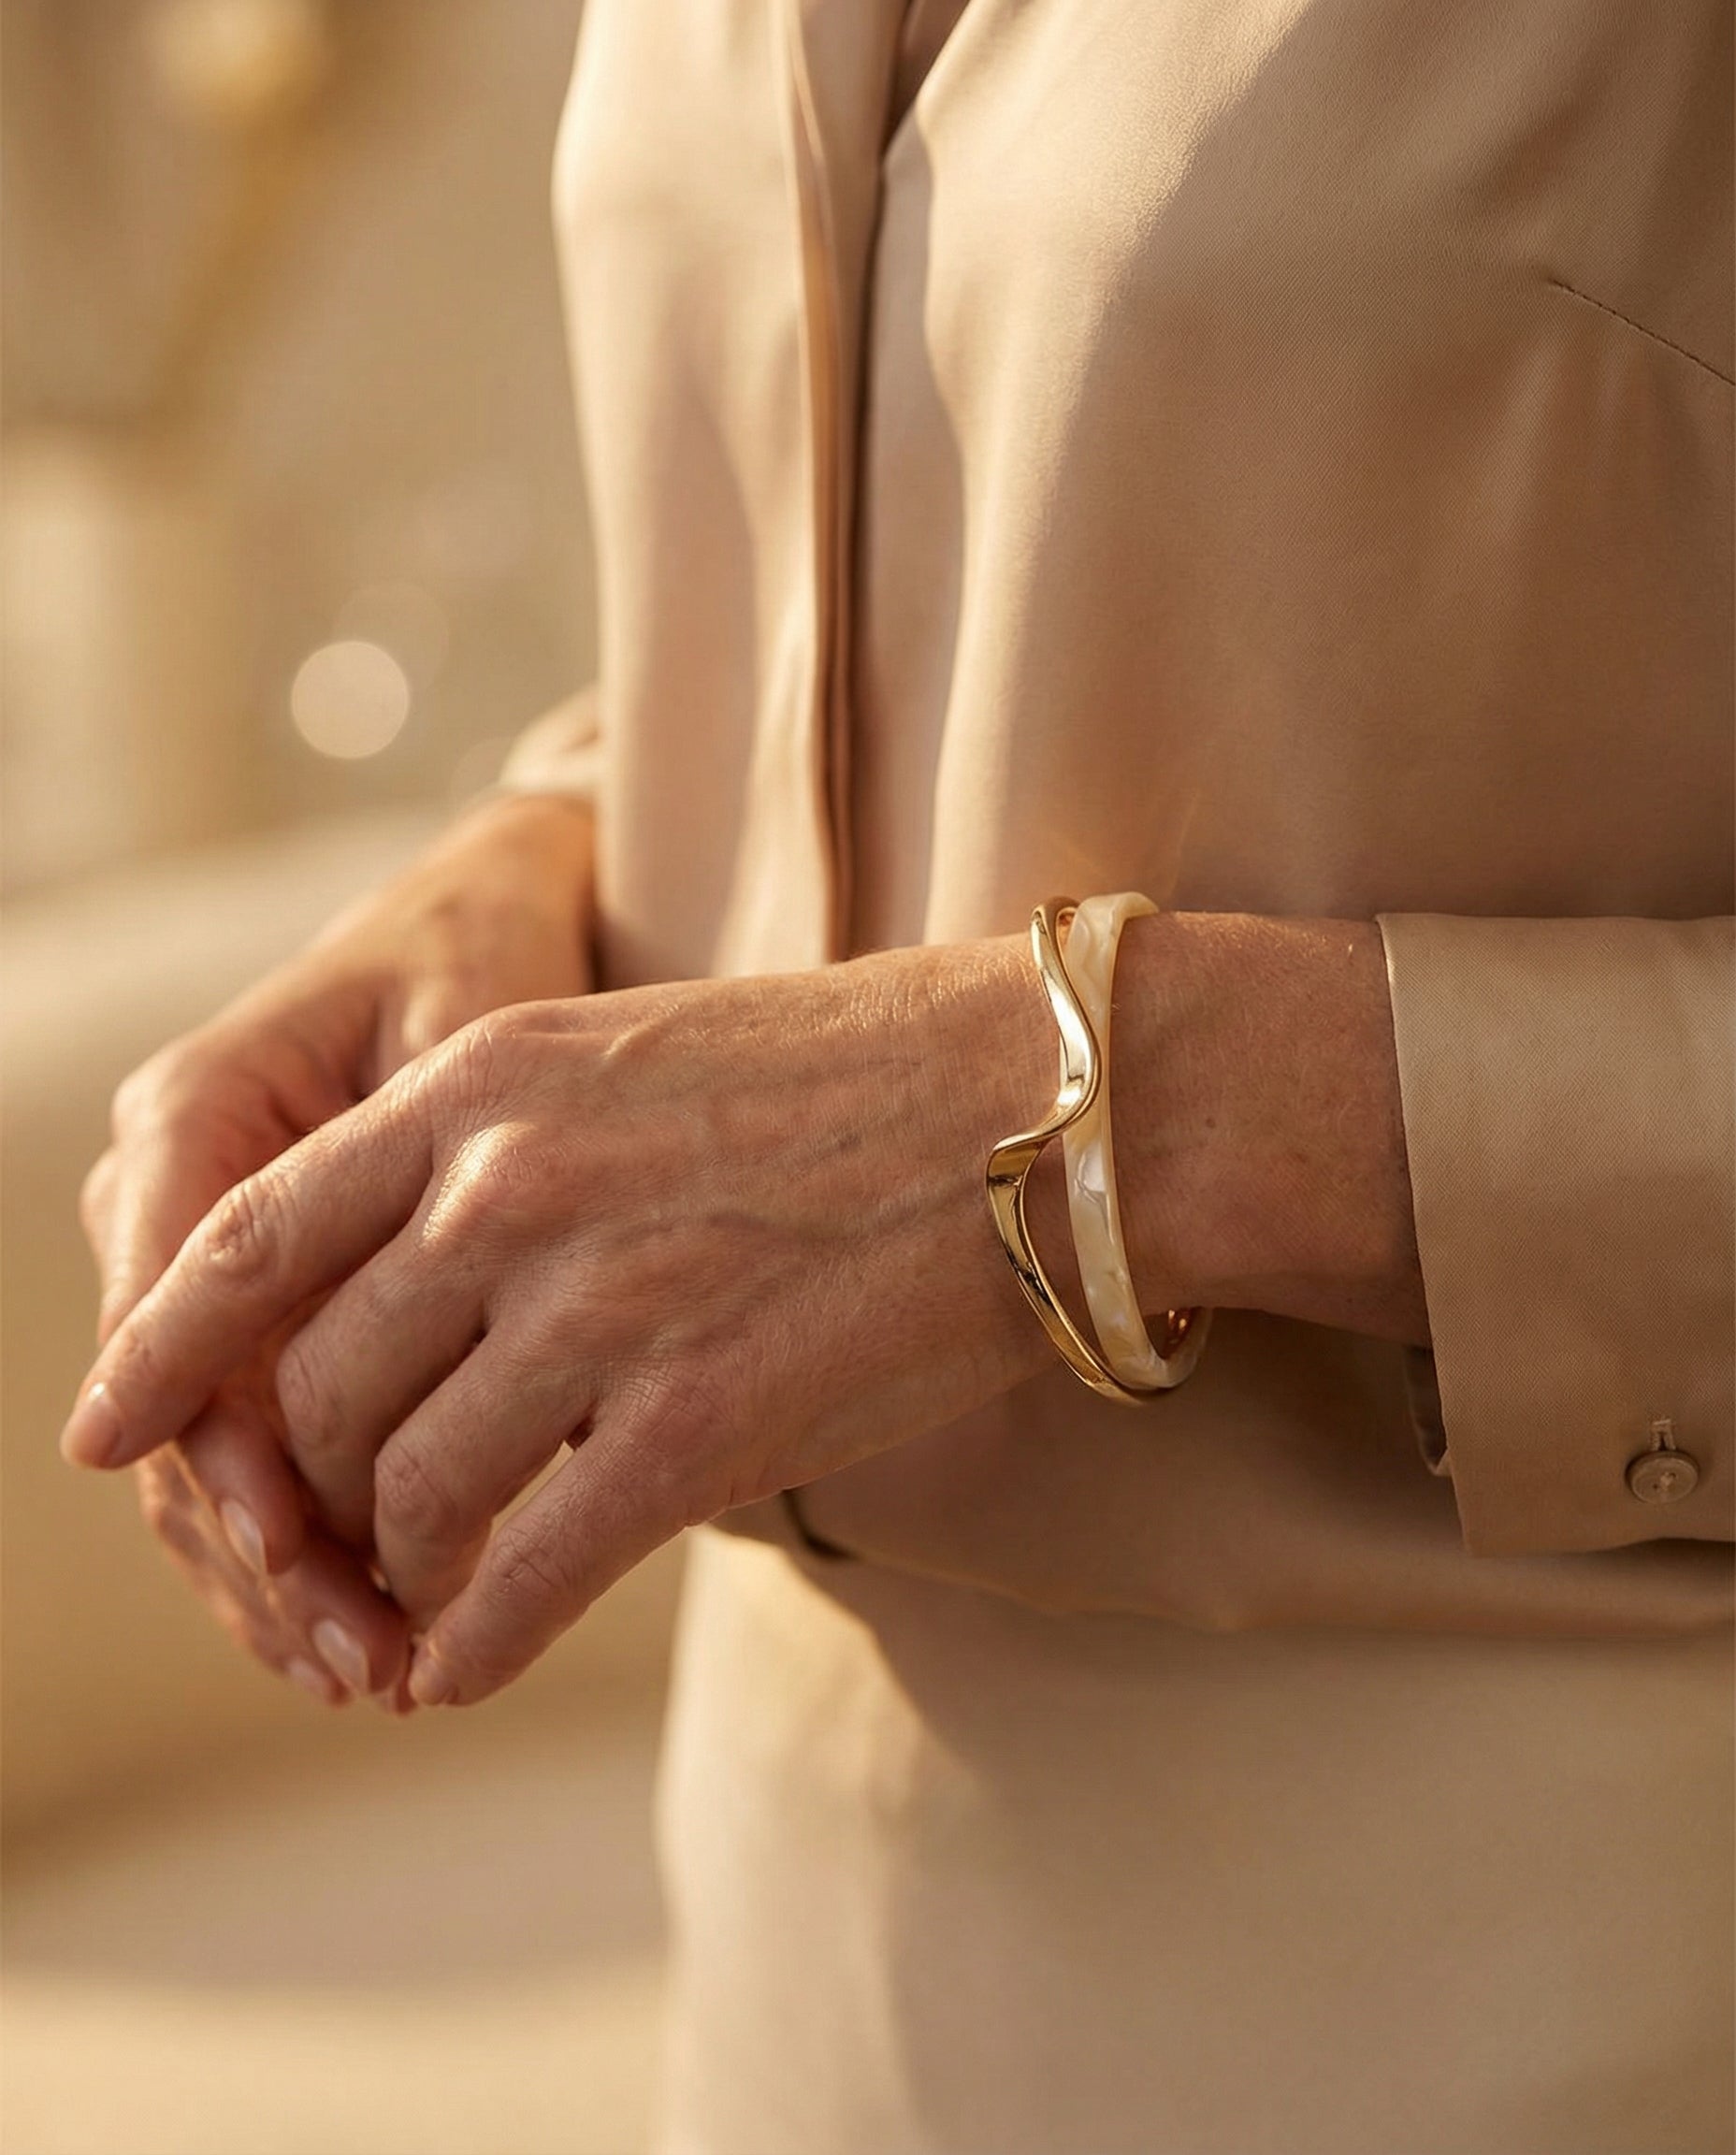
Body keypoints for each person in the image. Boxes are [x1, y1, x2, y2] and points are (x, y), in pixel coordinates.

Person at [64, 3, 1732, 2149]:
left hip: (1589, 1978)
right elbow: (996, 528)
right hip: (806, 1940)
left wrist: (1116, 1117)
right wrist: (553, 853)